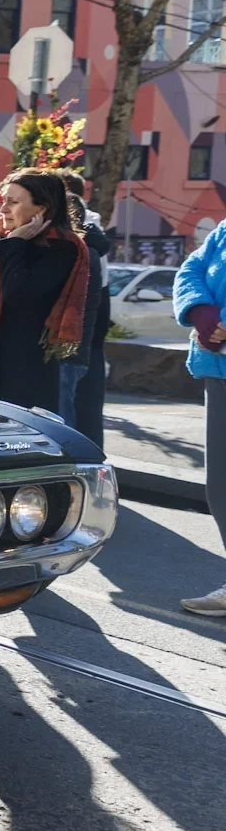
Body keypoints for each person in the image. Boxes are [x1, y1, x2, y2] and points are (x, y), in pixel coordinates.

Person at [0, 169, 89, 414]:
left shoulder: (62, 247)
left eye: (13, 202)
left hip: (24, 369)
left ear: (41, 208)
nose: (3, 210)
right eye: (3, 201)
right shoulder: (9, 241)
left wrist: (13, 245)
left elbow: (19, 294)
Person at [172, 219, 226, 615]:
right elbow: (190, 269)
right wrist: (201, 313)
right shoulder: (224, 229)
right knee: (221, 482)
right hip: (217, 366)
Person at [58, 171, 112, 440]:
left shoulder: (79, 243)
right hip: (90, 334)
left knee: (65, 411)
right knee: (85, 409)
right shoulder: (93, 235)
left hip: (74, 338)